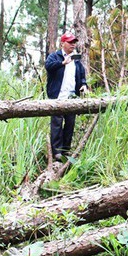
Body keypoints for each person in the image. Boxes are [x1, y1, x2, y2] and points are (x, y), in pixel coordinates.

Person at [45, 31, 88, 161]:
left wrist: (84, 85)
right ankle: (56, 152)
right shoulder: (55, 56)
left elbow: (81, 75)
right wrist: (62, 63)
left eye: (74, 42)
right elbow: (48, 66)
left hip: (72, 98)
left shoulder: (76, 59)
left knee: (70, 124)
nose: (73, 45)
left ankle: (66, 151)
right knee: (57, 124)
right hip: (57, 96)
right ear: (62, 43)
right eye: (70, 42)